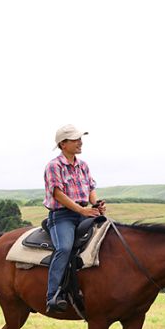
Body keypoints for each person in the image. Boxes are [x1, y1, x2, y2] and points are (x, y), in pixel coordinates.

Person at [43, 124, 105, 313]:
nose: (80, 142)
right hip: (62, 216)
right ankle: (53, 295)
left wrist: (95, 204)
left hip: (83, 212)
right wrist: (81, 210)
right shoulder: (54, 166)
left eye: (80, 139)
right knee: (64, 248)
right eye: (75, 139)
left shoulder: (83, 165)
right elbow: (57, 193)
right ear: (63, 144)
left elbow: (90, 188)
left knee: (110, 239)